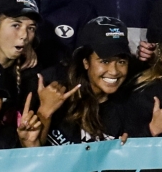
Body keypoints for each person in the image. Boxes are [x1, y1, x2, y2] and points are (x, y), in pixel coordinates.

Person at [45, 17, 134, 145]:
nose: (114, 71)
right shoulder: (54, 88)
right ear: (86, 62)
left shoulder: (130, 104)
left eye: (121, 62)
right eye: (105, 61)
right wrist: (44, 113)